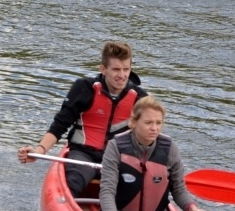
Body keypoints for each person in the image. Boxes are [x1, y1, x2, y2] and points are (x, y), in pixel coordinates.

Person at [17, 41, 148, 197]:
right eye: (116, 69)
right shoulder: (84, 88)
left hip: (117, 159)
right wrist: (38, 151)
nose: (122, 75)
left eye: (126, 69)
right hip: (83, 155)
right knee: (74, 181)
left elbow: (150, 136)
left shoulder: (140, 98)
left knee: (140, 191)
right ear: (103, 69)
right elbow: (60, 125)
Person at [98, 96, 210, 211]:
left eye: (158, 123)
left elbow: (179, 190)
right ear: (133, 123)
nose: (154, 128)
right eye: (148, 123)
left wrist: (193, 209)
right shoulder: (116, 147)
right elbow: (107, 190)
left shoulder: (170, 149)